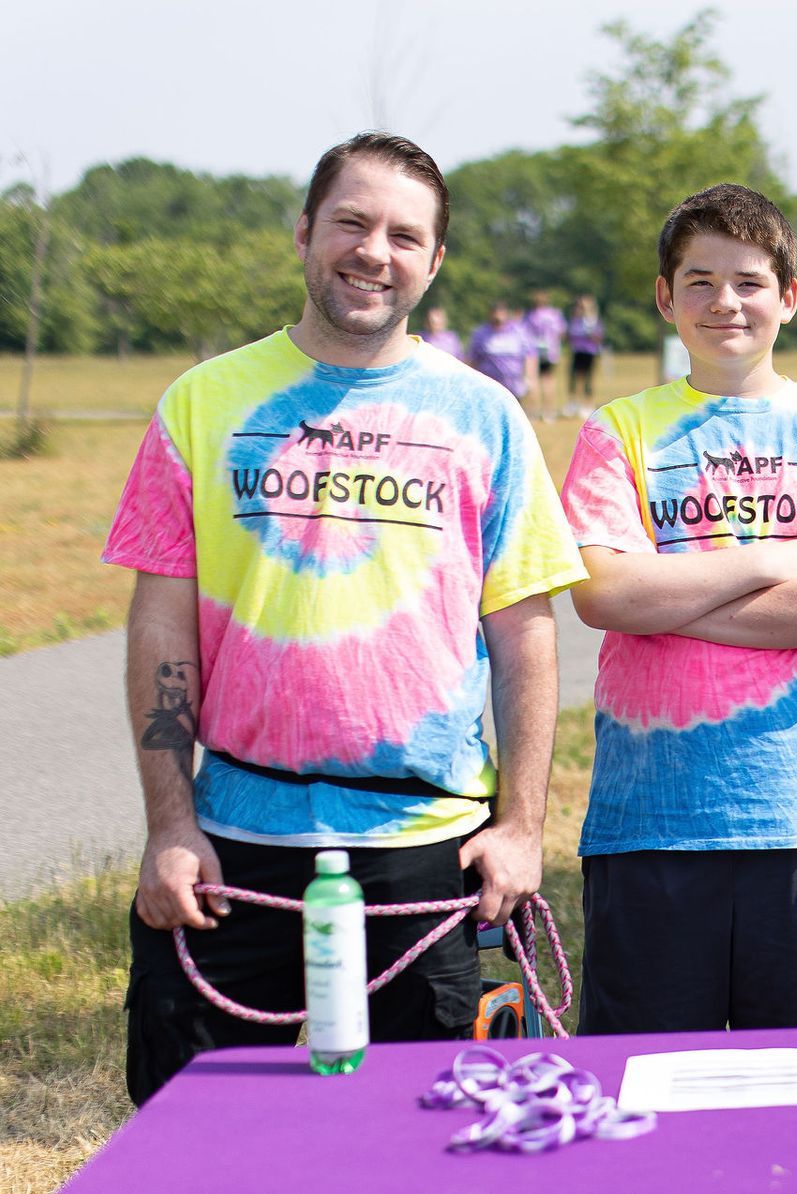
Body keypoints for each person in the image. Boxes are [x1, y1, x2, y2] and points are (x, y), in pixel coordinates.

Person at [102, 132, 585, 1105]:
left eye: (405, 234)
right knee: (197, 1137)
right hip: (234, 846)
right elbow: (160, 625)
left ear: (435, 260)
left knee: (429, 1142)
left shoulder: (486, 415)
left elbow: (525, 635)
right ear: (305, 233)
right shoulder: (203, 403)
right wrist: (169, 822)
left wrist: (522, 827)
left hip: (430, 853)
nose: (375, 250)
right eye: (352, 223)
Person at [560, 184, 797, 1033]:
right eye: (700, 281)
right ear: (665, 298)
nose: (726, 302)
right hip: (649, 816)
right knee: (644, 1086)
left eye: (751, 281)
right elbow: (601, 592)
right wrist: (764, 560)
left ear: (788, 297)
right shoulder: (619, 430)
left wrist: (663, 595)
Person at [468, 301, 537, 404]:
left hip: (513, 384)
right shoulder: (481, 333)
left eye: (501, 313)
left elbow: (530, 355)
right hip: (489, 385)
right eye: (495, 313)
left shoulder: (518, 332)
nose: (498, 317)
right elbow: (472, 359)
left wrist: (530, 377)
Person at [524, 289, 566, 421]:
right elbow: (562, 332)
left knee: (533, 381)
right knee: (549, 381)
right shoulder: (554, 314)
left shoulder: (531, 315)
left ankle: (534, 412)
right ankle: (549, 412)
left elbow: (524, 333)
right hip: (551, 351)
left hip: (534, 351)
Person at [566, 294, 605, 413]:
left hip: (589, 352)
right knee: (574, 378)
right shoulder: (575, 320)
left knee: (588, 378)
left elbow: (599, 336)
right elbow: (570, 334)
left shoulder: (593, 320)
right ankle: (574, 403)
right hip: (577, 351)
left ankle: (588, 404)